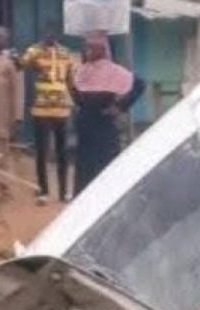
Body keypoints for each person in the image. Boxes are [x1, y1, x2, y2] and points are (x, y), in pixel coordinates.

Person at [70, 33, 144, 194]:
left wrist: (120, 107)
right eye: (86, 47)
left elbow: (139, 85)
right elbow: (74, 90)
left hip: (104, 126)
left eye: (91, 48)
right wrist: (78, 104)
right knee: (84, 171)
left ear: (102, 50)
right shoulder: (82, 71)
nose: (87, 51)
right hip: (85, 129)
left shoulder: (114, 71)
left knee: (105, 169)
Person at [19, 23, 75, 202]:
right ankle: (43, 191)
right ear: (43, 33)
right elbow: (22, 63)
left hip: (62, 110)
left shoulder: (66, 53)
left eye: (53, 32)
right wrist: (16, 59)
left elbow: (70, 81)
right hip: (41, 109)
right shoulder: (35, 50)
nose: (50, 35)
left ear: (57, 34)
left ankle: (64, 192)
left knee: (62, 153)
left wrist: (75, 101)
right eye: (47, 32)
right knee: (42, 152)